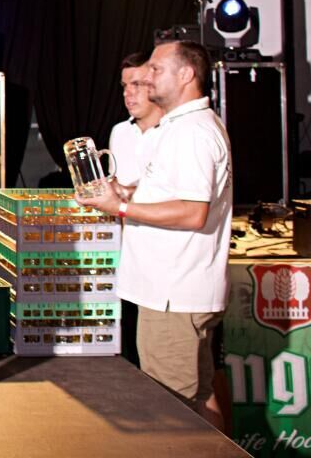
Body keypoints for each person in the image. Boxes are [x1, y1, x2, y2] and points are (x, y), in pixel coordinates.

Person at [81, 40, 232, 432]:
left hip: (174, 294)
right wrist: (121, 194)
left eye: (156, 69)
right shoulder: (179, 127)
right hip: (174, 292)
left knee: (171, 418)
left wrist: (120, 208)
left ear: (186, 75)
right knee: (196, 399)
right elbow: (172, 195)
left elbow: (193, 211)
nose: (147, 78)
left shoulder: (191, 132)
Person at [108, 52, 163, 189]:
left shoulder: (176, 130)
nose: (126, 93)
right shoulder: (119, 131)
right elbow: (116, 183)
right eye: (124, 86)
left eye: (137, 84)